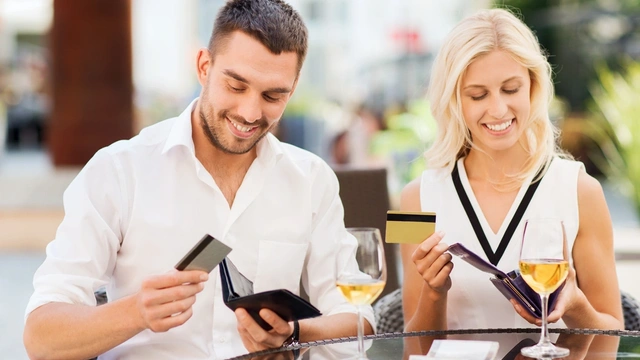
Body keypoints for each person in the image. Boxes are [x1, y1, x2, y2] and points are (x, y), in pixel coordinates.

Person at [23, 1, 375, 359]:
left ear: (293, 88)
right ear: (204, 66)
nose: (250, 113)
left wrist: (294, 333)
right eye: (236, 86)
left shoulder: (311, 181)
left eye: (273, 96)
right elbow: (41, 337)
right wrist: (136, 312)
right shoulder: (119, 171)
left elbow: (358, 318)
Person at [399, 8, 624, 358]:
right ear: (454, 99)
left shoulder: (583, 190)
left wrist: (575, 304)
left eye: (510, 88)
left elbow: (611, 341)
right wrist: (434, 292)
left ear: (533, 86)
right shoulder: (411, 202)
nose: (499, 109)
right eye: (478, 95)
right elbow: (411, 350)